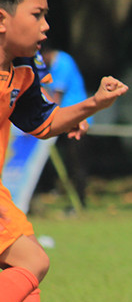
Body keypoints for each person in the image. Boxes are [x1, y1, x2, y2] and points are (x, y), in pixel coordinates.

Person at [0, 0, 129, 302]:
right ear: (2, 19)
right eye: (37, 15)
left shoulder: (22, 69)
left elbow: (42, 121)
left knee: (26, 258)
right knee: (30, 262)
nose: (46, 26)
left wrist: (92, 103)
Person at [39, 41, 91, 206]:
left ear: (45, 53)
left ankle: (79, 202)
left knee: (76, 164)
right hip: (63, 119)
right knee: (60, 161)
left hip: (75, 120)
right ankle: (56, 193)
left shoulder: (63, 63)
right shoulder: (52, 65)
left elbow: (56, 98)